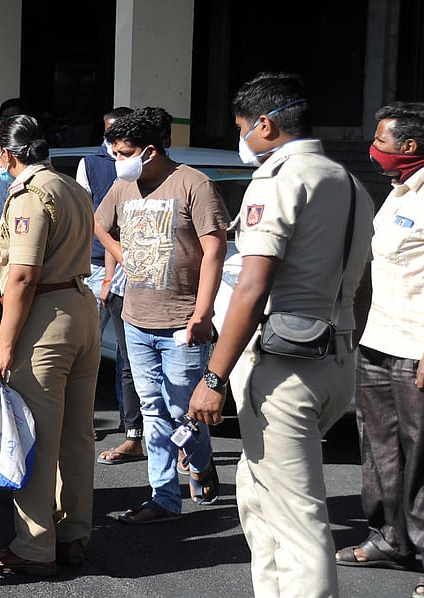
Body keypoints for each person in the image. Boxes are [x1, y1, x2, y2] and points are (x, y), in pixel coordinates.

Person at [188, 72, 375, 598]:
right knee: (257, 493)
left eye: (243, 128)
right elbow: (361, 283)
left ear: (265, 124)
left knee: (297, 521)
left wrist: (213, 376)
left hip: (286, 368)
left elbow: (251, 286)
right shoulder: (351, 183)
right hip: (335, 358)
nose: (243, 138)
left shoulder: (278, 179)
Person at [0, 114, 100, 576]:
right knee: (77, 437)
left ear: (6, 152)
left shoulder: (29, 195)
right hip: (82, 308)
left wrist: (3, 347)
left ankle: (34, 547)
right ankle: (73, 536)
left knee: (38, 440)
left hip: (46, 318)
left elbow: (23, 275)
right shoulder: (72, 187)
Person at [95, 107, 229, 523]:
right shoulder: (123, 187)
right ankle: (164, 497)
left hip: (182, 323)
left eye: (124, 152)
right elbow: (100, 226)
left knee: (184, 411)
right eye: (115, 151)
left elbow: (215, 250)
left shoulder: (194, 184)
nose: (118, 159)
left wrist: (202, 313)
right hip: (136, 320)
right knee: (152, 409)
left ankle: (202, 461)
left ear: (149, 151)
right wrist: (124, 258)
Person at [333, 101, 424, 598]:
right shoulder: (396, 194)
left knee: (422, 456)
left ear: (409, 146)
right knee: (380, 449)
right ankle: (391, 539)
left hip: (417, 347)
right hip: (379, 342)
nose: (374, 148)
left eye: (381, 140)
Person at [73, 106, 143, 460]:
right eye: (109, 134)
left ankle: (133, 426)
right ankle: (85, 419)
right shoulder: (93, 163)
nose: (115, 146)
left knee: (128, 356)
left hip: (132, 270)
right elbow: (93, 217)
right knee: (90, 345)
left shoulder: (145, 167)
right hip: (101, 264)